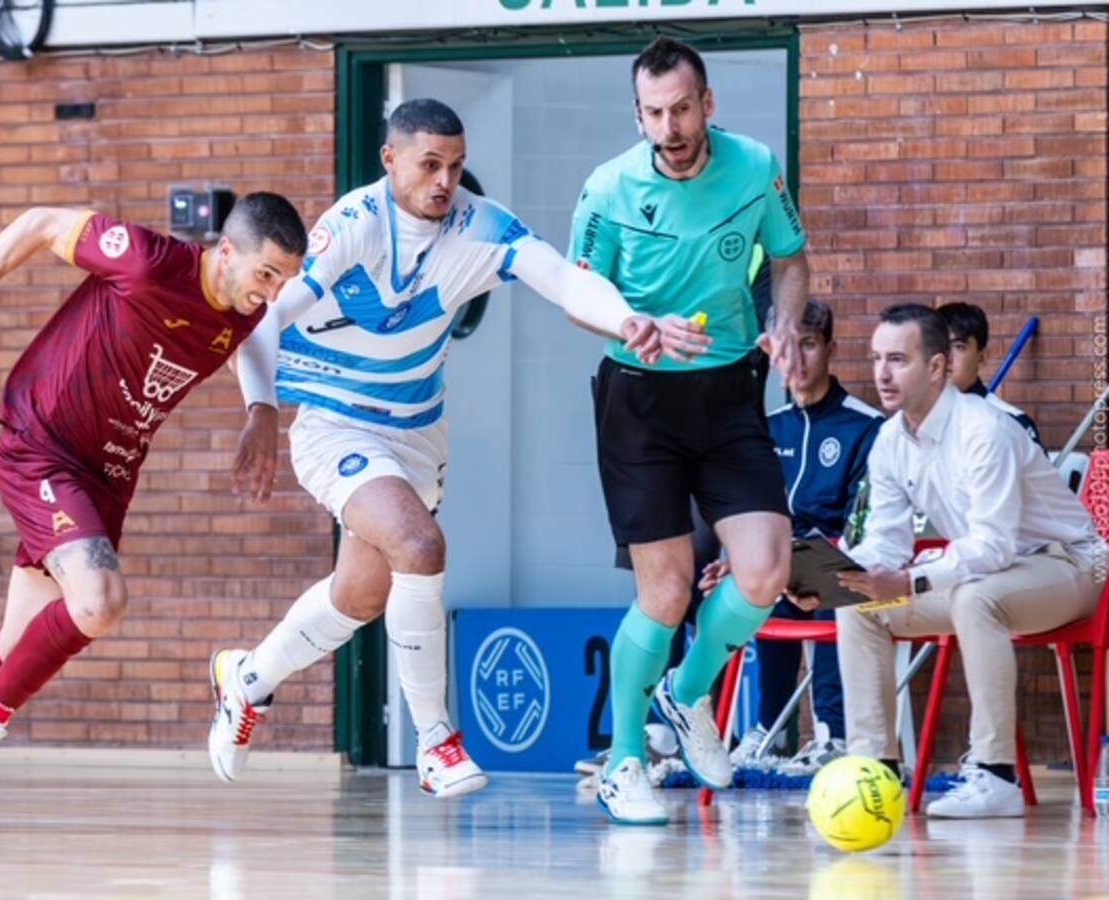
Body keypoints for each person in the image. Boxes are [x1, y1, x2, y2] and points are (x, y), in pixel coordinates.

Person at [206, 99, 689, 799]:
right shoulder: (354, 223)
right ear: (390, 160)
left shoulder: (482, 226)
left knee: (360, 595)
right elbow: (260, 326)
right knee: (421, 546)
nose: (444, 181)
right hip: (335, 422)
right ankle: (436, 739)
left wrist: (625, 320)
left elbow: (563, 279)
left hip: (416, 430)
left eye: (456, 166)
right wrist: (259, 415)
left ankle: (246, 680)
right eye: (429, 164)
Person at [0, 194, 308, 826]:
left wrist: (262, 411)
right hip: (42, 445)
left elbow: (258, 335)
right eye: (266, 274)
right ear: (225, 252)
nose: (273, 291)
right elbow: (39, 222)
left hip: (107, 477)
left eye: (285, 279)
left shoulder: (244, 312)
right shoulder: (148, 263)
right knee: (100, 599)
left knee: (16, 645)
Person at [570, 37, 811, 824]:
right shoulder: (608, 188)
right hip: (639, 398)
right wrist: (631, 323)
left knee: (765, 573)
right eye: (653, 112)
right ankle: (627, 760)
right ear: (637, 114)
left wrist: (783, 323)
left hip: (732, 391)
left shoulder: (753, 166)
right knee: (667, 590)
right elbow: (579, 291)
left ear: (708, 105)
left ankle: (685, 693)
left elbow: (792, 256)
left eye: (681, 109)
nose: (668, 126)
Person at [833, 304, 1105, 818]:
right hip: (989, 576)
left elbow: (992, 547)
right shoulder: (890, 439)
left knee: (975, 597)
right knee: (857, 605)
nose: (882, 374)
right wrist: (837, 572)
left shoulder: (987, 429)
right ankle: (874, 772)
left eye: (897, 359)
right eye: (876, 359)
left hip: (1072, 566)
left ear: (936, 367)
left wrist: (909, 581)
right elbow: (884, 544)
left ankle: (994, 774)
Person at [728, 299, 882, 775]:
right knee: (743, 584)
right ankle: (769, 730)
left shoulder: (866, 426)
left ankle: (832, 733)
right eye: (786, 347)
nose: (796, 359)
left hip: (845, 565)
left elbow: (864, 523)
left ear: (831, 349)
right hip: (781, 564)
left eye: (809, 345)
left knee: (835, 586)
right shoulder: (767, 427)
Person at [938, 301, 1043, 447]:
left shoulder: (1012, 422)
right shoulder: (913, 421)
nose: (946, 357)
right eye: (938, 345)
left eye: (959, 347)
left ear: (982, 356)